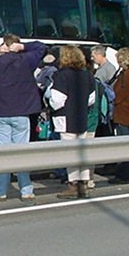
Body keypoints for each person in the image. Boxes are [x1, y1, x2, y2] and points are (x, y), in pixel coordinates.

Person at [0, 35, 45, 204]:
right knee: (21, 154)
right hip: (22, 112)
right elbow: (41, 46)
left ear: (4, 45)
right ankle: (26, 191)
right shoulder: (27, 60)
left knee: (2, 154)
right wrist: (24, 47)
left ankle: (1, 191)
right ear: (17, 46)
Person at [47, 46, 95, 199]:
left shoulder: (61, 76)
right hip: (81, 117)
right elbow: (91, 99)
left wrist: (48, 103)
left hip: (65, 118)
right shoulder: (87, 75)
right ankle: (84, 183)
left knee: (70, 152)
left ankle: (73, 184)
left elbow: (57, 101)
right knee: (82, 151)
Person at [109, 47, 129, 184]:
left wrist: (112, 98)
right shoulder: (127, 74)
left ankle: (125, 175)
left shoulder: (127, 75)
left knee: (124, 145)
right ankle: (125, 174)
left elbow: (120, 94)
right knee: (125, 145)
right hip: (125, 113)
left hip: (124, 114)